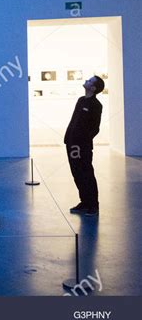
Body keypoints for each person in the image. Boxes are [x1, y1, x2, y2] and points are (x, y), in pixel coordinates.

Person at [64, 75, 105, 216]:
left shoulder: (96, 105)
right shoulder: (81, 100)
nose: (86, 81)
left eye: (89, 81)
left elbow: (95, 128)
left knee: (86, 173)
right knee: (76, 173)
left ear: (93, 88)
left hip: (82, 146)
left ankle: (93, 205)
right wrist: (68, 138)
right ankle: (84, 202)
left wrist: (83, 140)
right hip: (71, 143)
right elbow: (73, 121)